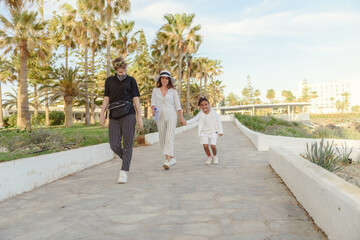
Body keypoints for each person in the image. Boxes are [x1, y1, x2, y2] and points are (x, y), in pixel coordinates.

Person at [100, 57, 143, 184]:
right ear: (115, 70)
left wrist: (139, 116)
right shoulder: (109, 81)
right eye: (120, 72)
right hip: (113, 115)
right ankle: (127, 158)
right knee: (114, 144)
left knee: (128, 144)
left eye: (124, 71)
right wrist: (102, 114)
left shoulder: (131, 80)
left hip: (128, 114)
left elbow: (135, 99)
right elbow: (106, 98)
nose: (123, 73)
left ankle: (124, 171)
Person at [151, 70, 186, 170]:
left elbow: (178, 105)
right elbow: (153, 102)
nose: (165, 80)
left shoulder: (173, 91)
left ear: (169, 80)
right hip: (159, 116)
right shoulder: (155, 90)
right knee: (162, 137)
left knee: (169, 137)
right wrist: (153, 109)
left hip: (171, 116)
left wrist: (181, 117)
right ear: (160, 79)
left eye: (167, 78)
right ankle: (172, 157)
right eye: (163, 78)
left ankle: (167, 160)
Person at [185, 96, 223, 165]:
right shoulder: (200, 114)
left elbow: (219, 122)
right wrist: (186, 122)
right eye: (202, 105)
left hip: (213, 132)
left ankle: (215, 156)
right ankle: (209, 157)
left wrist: (220, 131)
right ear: (200, 106)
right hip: (204, 133)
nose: (204, 106)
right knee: (205, 146)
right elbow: (194, 120)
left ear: (209, 104)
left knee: (212, 146)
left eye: (206, 104)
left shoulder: (214, 113)